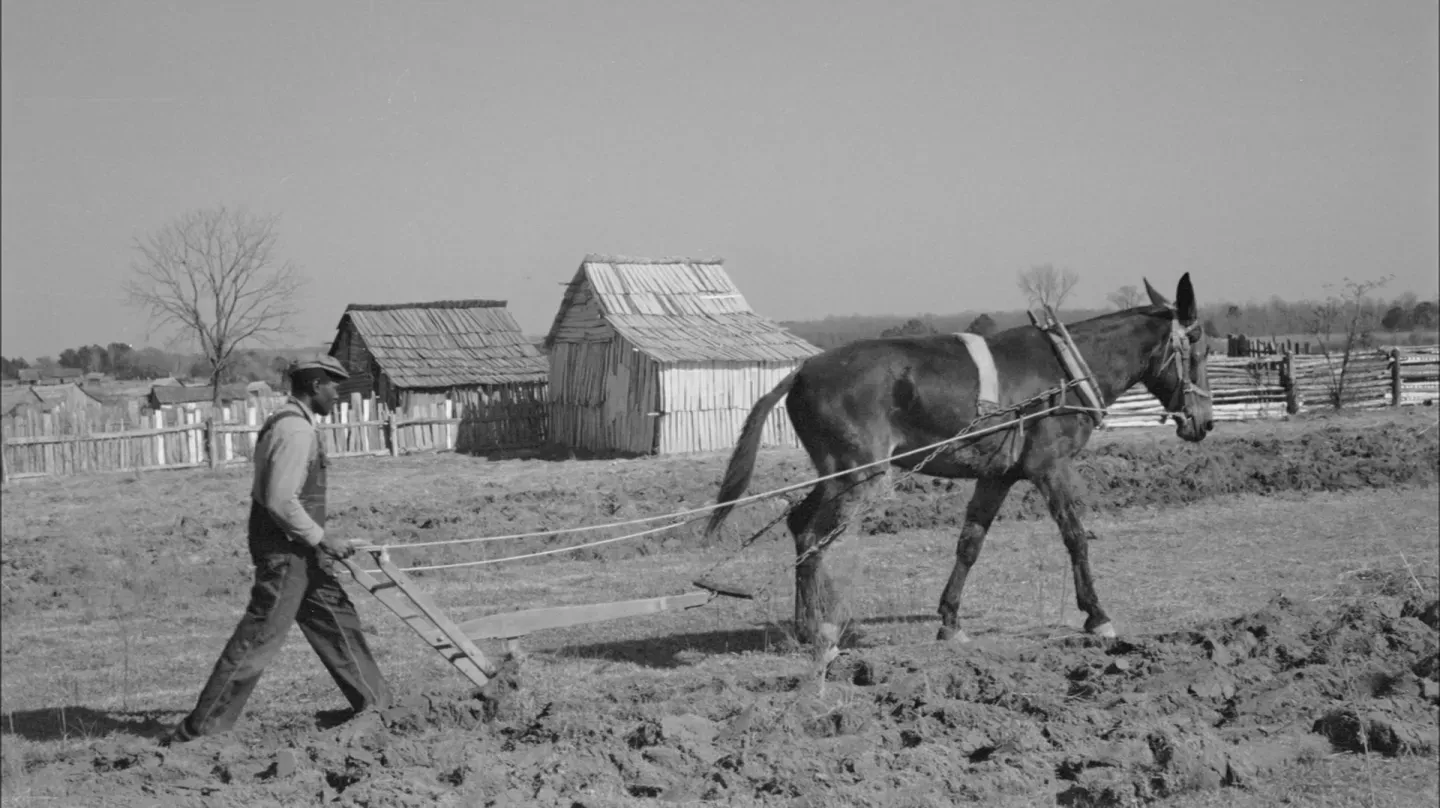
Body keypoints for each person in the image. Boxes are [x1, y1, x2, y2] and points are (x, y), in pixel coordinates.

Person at [164, 356, 393, 744]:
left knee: (337, 621)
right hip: (287, 553)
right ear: (315, 385)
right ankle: (200, 731)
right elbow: (280, 500)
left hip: (299, 549)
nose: (338, 394)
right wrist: (322, 538)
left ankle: (379, 707)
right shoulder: (294, 431)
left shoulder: (291, 423)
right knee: (259, 639)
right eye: (333, 386)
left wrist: (319, 538)